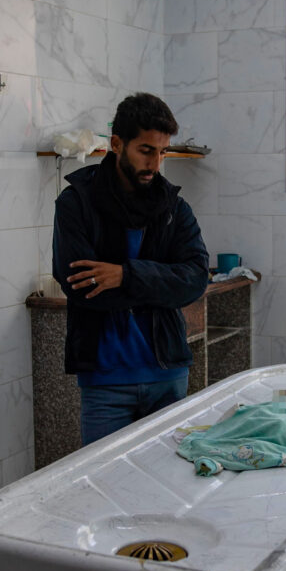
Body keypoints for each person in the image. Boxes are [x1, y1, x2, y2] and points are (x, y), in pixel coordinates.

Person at [52, 92, 209, 445]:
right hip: (104, 382)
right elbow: (81, 287)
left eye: (162, 152)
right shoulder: (76, 203)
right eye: (146, 150)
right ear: (117, 144)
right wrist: (161, 284)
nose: (155, 164)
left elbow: (195, 280)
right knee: (106, 493)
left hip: (167, 376)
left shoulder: (174, 208)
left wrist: (125, 275)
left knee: (169, 488)